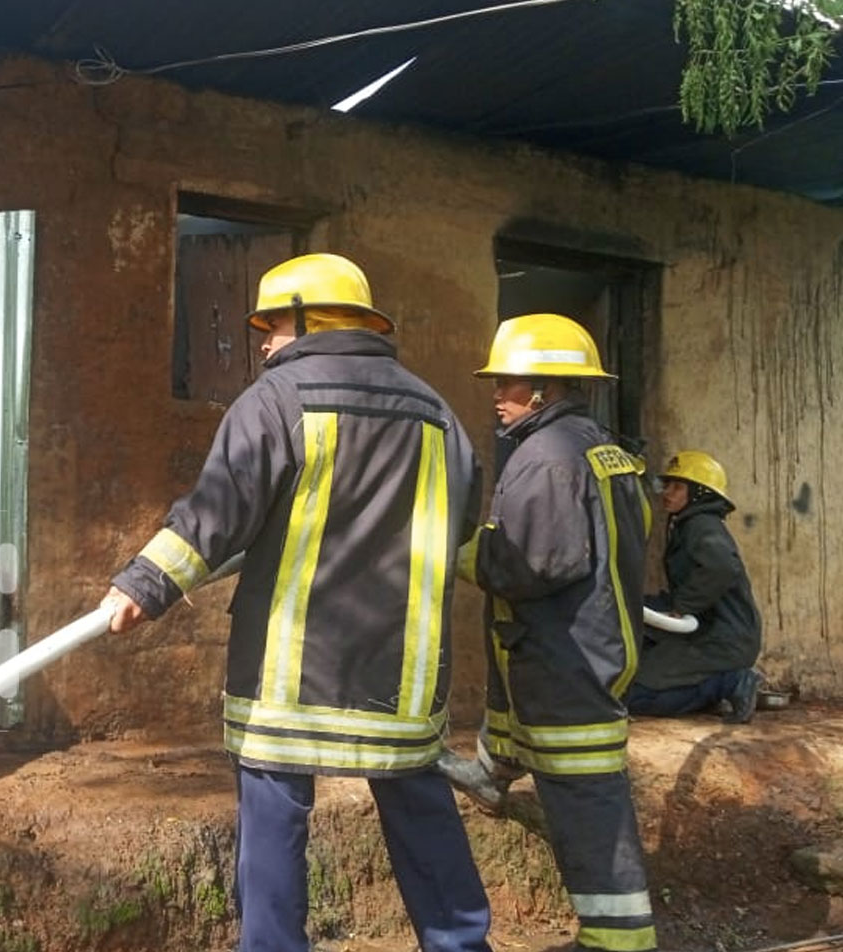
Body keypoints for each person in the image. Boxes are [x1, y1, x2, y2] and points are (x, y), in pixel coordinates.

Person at [103, 253, 492, 952]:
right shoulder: (438, 414)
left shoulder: (277, 401)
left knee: (275, 818)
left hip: (291, 677)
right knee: (420, 808)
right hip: (400, 678)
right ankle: (462, 945)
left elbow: (219, 512)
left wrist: (144, 584)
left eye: (274, 324)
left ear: (316, 320)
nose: (263, 341)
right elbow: (462, 523)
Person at [451, 313, 657, 952]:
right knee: (513, 714)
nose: (497, 395)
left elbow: (529, 565)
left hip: (569, 657)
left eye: (508, 383)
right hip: (587, 646)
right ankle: (492, 770)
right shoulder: (606, 448)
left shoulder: (545, 457)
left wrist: (462, 554)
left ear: (545, 388)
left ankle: (618, 941)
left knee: (587, 805)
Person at [626, 450, 762, 723]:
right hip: (709, 633)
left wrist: (682, 606)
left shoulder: (702, 525)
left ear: (699, 493)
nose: (667, 492)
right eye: (667, 485)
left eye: (678, 487)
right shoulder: (689, 524)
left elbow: (722, 567)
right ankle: (708, 691)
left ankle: (730, 683)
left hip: (721, 640)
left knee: (634, 695)